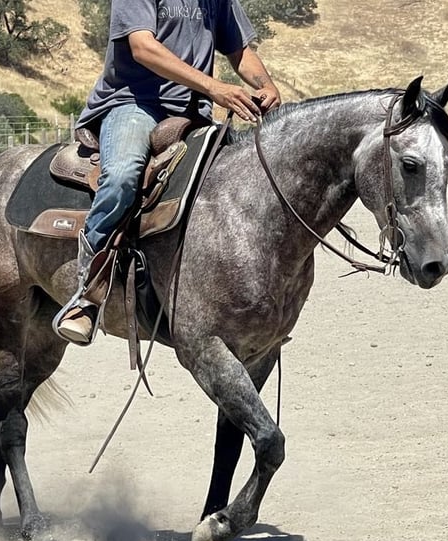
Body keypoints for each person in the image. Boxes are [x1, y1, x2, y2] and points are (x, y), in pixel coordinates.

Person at [53, 0, 281, 345]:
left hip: (194, 113)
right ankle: (87, 294)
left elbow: (240, 50)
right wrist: (214, 88)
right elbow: (143, 47)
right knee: (122, 177)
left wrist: (266, 84)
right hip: (135, 104)